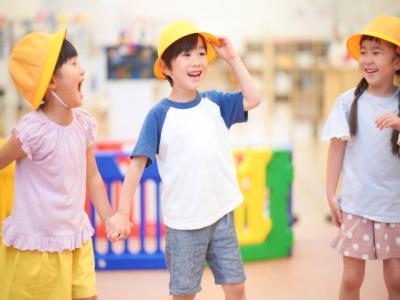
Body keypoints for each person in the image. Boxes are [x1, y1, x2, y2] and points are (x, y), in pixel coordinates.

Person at [106, 20, 261, 299]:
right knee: (184, 294)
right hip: (184, 224)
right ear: (166, 67)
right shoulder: (159, 115)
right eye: (186, 55)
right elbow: (137, 163)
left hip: (221, 215)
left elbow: (254, 98)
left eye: (201, 53)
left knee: (236, 286)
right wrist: (122, 212)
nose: (196, 61)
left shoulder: (215, 103)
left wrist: (233, 59)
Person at [0, 28, 128, 300]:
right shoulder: (32, 131)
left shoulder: (82, 124)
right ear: (51, 82)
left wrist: (108, 217)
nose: (82, 71)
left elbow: (92, 177)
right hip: (39, 249)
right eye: (73, 64)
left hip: (75, 239)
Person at [323, 15, 400, 300]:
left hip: (394, 206)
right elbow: (336, 149)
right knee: (352, 278)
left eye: (376, 52)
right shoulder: (347, 102)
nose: (367, 59)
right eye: (364, 52)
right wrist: (330, 193)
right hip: (357, 204)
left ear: (397, 62)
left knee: (396, 279)